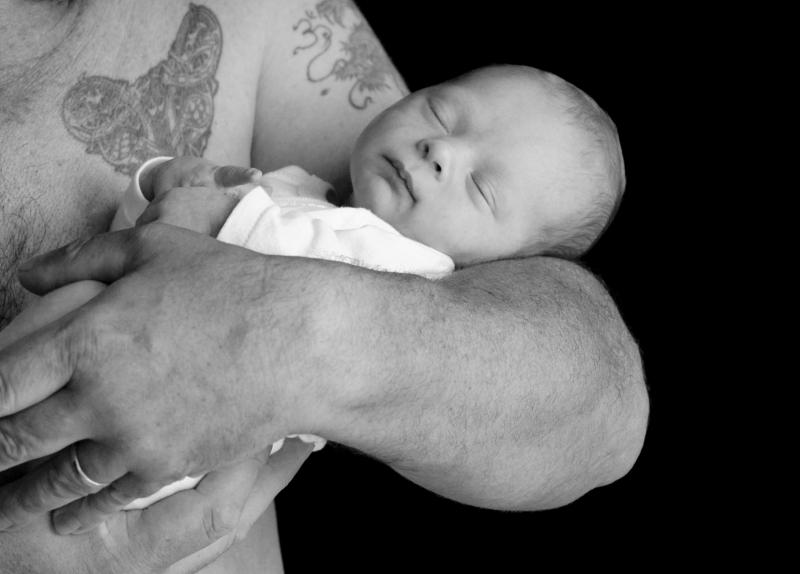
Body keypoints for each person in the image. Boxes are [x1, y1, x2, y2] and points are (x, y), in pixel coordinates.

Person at [0, 1, 648, 572]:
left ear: (499, 262)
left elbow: (603, 409)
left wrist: (281, 312)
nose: (440, 150)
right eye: (440, 110)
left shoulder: (397, 265)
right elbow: (152, 238)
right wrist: (170, 188)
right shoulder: (306, 191)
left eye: (482, 189)